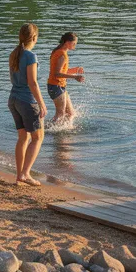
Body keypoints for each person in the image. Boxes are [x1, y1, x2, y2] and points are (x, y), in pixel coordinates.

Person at [8, 23, 48, 186]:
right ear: (34, 38)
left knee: (23, 138)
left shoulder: (14, 54)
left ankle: (19, 175)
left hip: (13, 99)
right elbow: (32, 83)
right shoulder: (31, 56)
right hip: (27, 100)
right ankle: (25, 174)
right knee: (38, 138)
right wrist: (42, 103)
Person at [46, 32, 84, 126]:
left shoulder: (58, 51)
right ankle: (43, 130)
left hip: (58, 86)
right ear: (67, 42)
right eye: (74, 43)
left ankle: (67, 131)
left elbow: (61, 71)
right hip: (56, 86)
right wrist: (75, 77)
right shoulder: (62, 55)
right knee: (60, 114)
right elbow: (57, 74)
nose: (75, 45)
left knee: (71, 113)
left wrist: (75, 70)